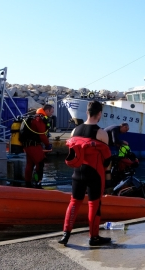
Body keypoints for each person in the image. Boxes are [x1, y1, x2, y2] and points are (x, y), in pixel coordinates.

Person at [58, 100, 113, 247]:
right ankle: (93, 237)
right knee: (94, 205)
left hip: (77, 173)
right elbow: (107, 160)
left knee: (74, 202)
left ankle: (66, 234)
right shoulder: (101, 133)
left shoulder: (74, 131)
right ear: (99, 114)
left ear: (87, 112)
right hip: (95, 173)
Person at [22, 106, 54, 188]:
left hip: (28, 145)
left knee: (30, 164)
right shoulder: (39, 119)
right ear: (46, 110)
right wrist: (48, 144)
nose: (52, 113)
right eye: (51, 111)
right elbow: (42, 135)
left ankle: (28, 184)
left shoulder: (35, 117)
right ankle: (38, 184)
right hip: (34, 145)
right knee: (40, 163)